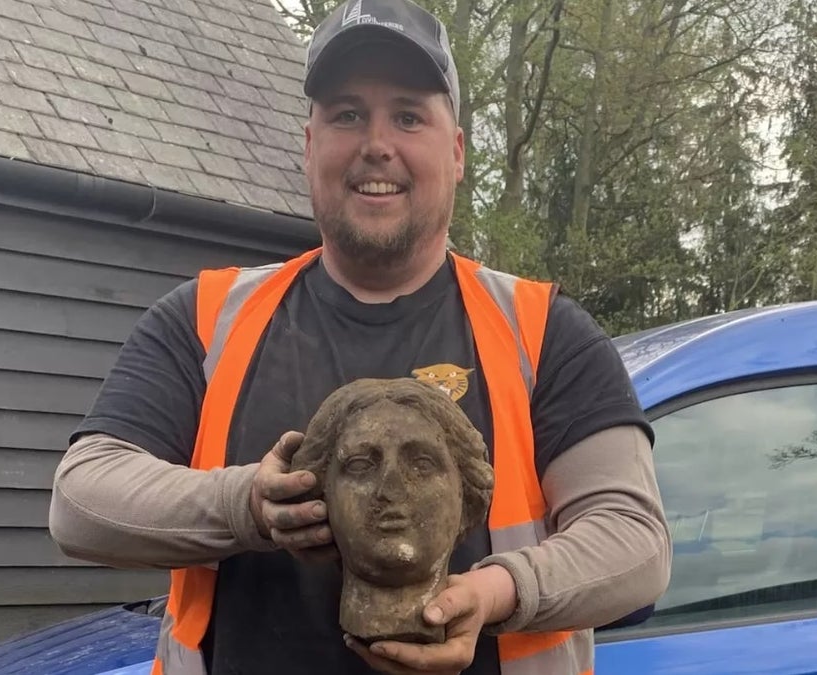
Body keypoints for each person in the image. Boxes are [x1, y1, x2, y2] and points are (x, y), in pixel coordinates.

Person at [48, 0, 672, 672]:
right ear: (310, 144)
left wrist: (496, 591)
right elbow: (82, 501)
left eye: (408, 115)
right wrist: (247, 504)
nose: (377, 143)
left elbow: (635, 543)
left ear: (457, 152)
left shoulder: (544, 332)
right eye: (347, 114)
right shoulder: (205, 320)